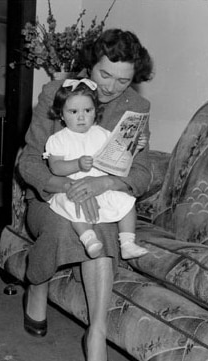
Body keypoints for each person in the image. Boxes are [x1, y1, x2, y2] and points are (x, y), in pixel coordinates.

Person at [18, 29, 153, 361]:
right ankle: (38, 283)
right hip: (51, 195)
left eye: (123, 80)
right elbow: (30, 162)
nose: (110, 86)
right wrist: (68, 186)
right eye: (104, 74)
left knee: (103, 225)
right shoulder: (56, 92)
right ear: (89, 65)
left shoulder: (135, 106)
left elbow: (144, 171)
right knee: (65, 224)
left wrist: (104, 184)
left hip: (103, 195)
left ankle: (97, 332)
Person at [43, 78, 149, 260]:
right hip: (74, 188)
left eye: (88, 110)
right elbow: (56, 167)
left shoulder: (103, 134)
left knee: (127, 201)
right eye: (73, 111)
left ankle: (127, 242)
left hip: (101, 187)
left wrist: (135, 148)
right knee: (73, 208)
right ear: (61, 115)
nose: (82, 117)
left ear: (95, 111)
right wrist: (76, 164)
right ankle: (89, 239)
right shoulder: (58, 139)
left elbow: (119, 158)